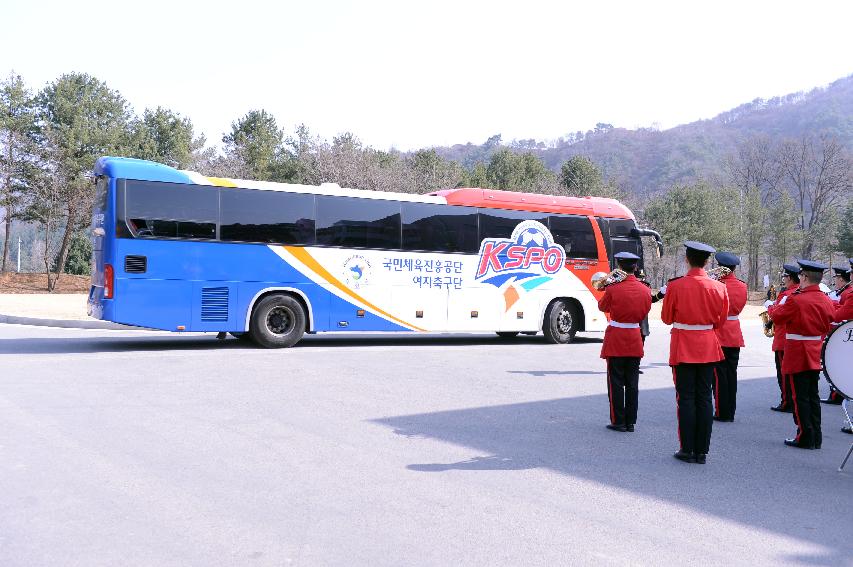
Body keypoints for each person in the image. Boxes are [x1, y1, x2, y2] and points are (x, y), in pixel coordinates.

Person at [661, 241, 729, 464]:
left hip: (683, 346)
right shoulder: (720, 287)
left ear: (686, 259)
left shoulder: (676, 286)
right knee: (704, 398)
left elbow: (666, 318)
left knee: (686, 399)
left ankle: (687, 449)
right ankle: (702, 451)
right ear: (708, 261)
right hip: (708, 346)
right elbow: (720, 321)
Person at [769, 260, 836, 449]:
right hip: (815, 348)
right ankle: (816, 435)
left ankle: (805, 435)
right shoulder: (825, 299)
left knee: (800, 397)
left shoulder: (796, 299)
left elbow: (777, 317)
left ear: (805, 277)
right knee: (812, 395)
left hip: (798, 349)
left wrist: (772, 307)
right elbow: (831, 319)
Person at [597, 252, 652, 432]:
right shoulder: (645, 289)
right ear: (635, 267)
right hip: (635, 337)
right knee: (632, 383)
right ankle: (631, 422)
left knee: (615, 382)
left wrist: (607, 286)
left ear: (619, 267)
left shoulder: (613, 288)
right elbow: (645, 311)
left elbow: (602, 307)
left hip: (616, 337)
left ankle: (618, 421)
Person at [712, 252, 747, 422]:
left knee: (719, 375)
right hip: (734, 332)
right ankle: (730, 410)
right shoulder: (742, 285)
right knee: (731, 374)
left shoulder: (717, 284)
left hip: (719, 332)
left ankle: (721, 411)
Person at [768, 265, 801, 413]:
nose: (783, 280)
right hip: (794, 339)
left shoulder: (787, 294)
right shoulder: (799, 291)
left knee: (783, 373)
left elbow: (777, 314)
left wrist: (769, 307)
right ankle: (791, 400)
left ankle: (786, 402)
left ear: (790, 278)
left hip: (783, 338)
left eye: (784, 277)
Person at [822, 265, 852, 405]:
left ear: (841, 278)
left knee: (836, 364)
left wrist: (830, 304)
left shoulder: (848, 293)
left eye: (837, 278)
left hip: (842, 334)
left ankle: (836, 395)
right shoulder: (845, 291)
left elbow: (841, 315)